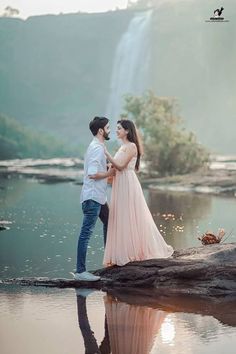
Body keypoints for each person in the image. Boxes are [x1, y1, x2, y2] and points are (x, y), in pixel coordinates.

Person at [103, 119, 174, 267]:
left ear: (127, 131)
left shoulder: (132, 146)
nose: (117, 131)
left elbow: (121, 166)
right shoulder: (122, 147)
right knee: (122, 216)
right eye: (116, 128)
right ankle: (124, 251)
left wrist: (106, 154)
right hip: (119, 183)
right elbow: (114, 168)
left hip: (128, 183)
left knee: (131, 215)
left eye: (119, 128)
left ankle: (134, 251)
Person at [73, 116, 115, 281]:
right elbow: (92, 174)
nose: (110, 130)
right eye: (108, 127)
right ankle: (81, 272)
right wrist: (109, 173)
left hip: (99, 197)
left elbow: (96, 168)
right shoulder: (97, 148)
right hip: (92, 198)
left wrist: (107, 167)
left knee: (110, 223)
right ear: (101, 130)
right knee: (86, 234)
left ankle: (110, 261)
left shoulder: (97, 146)